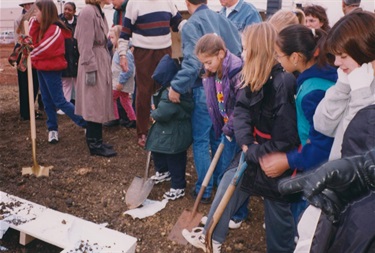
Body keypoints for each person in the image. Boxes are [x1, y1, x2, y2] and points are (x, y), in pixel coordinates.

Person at [182, 22, 300, 253]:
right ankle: (212, 239)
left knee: (277, 218)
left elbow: (287, 137)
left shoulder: (282, 84)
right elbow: (243, 111)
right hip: (254, 151)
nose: (242, 54)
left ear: (259, 51)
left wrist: (254, 150)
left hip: (274, 161)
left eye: (246, 49)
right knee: (229, 182)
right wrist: (246, 143)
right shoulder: (253, 78)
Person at [284, 10, 375, 253]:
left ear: (365, 53)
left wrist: (361, 97)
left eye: (343, 56)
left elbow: (356, 145)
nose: (336, 63)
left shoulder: (367, 90)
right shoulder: (354, 80)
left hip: (357, 204)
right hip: (336, 193)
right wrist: (342, 89)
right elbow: (322, 123)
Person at [260, 24, 337, 224]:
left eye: (278, 55)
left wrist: (287, 160)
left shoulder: (313, 92)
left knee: (306, 222)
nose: (277, 60)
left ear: (295, 57)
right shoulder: (321, 74)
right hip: (317, 164)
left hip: (320, 170)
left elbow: (323, 146)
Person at [168, 0, 241, 206]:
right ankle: (218, 180)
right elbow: (236, 48)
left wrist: (176, 86)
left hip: (205, 87)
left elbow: (193, 63)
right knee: (218, 136)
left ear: (186, 2)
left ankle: (205, 188)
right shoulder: (222, 19)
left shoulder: (192, 24)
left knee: (201, 140)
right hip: (226, 87)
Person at [117, 0, 183, 147]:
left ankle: (164, 127)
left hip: (165, 51)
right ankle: (142, 132)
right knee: (144, 91)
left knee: (165, 91)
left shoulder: (167, 2)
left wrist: (193, 27)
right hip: (143, 53)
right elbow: (125, 32)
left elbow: (178, 23)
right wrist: (122, 54)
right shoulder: (134, 3)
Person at [29, 0, 86, 144]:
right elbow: (31, 39)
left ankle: (85, 123)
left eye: (37, 11)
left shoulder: (55, 29)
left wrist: (29, 54)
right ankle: (52, 129)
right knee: (47, 100)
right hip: (41, 67)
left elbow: (42, 48)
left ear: (46, 12)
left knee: (59, 100)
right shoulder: (41, 27)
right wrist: (34, 22)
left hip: (52, 69)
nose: (35, 14)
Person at [146, 55, 193, 200]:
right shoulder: (170, 90)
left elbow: (164, 112)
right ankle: (163, 171)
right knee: (157, 151)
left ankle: (178, 186)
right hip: (167, 133)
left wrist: (154, 113)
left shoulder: (174, 94)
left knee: (175, 160)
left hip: (175, 135)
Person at [74, 0, 117, 157]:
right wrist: (90, 69)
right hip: (93, 63)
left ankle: (97, 140)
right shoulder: (88, 12)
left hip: (100, 60)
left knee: (98, 101)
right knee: (93, 102)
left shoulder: (97, 11)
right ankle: (94, 144)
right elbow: (84, 45)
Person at [13, 0, 43, 121]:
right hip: (23, 53)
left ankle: (30, 109)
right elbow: (18, 38)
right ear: (26, 5)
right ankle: (25, 112)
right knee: (25, 83)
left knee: (35, 82)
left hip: (34, 53)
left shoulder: (37, 18)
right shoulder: (20, 19)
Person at [106, 25, 136, 128]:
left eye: (113, 37)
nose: (111, 40)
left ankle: (115, 118)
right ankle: (132, 119)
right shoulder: (119, 50)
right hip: (119, 82)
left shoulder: (124, 53)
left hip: (119, 83)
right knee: (125, 99)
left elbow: (129, 69)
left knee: (111, 98)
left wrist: (120, 82)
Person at [58, 1, 79, 114]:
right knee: (65, 82)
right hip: (65, 55)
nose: (66, 11)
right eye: (65, 9)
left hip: (77, 56)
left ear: (74, 11)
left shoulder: (79, 21)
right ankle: (65, 107)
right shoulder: (59, 22)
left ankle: (80, 106)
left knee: (78, 83)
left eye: (69, 10)